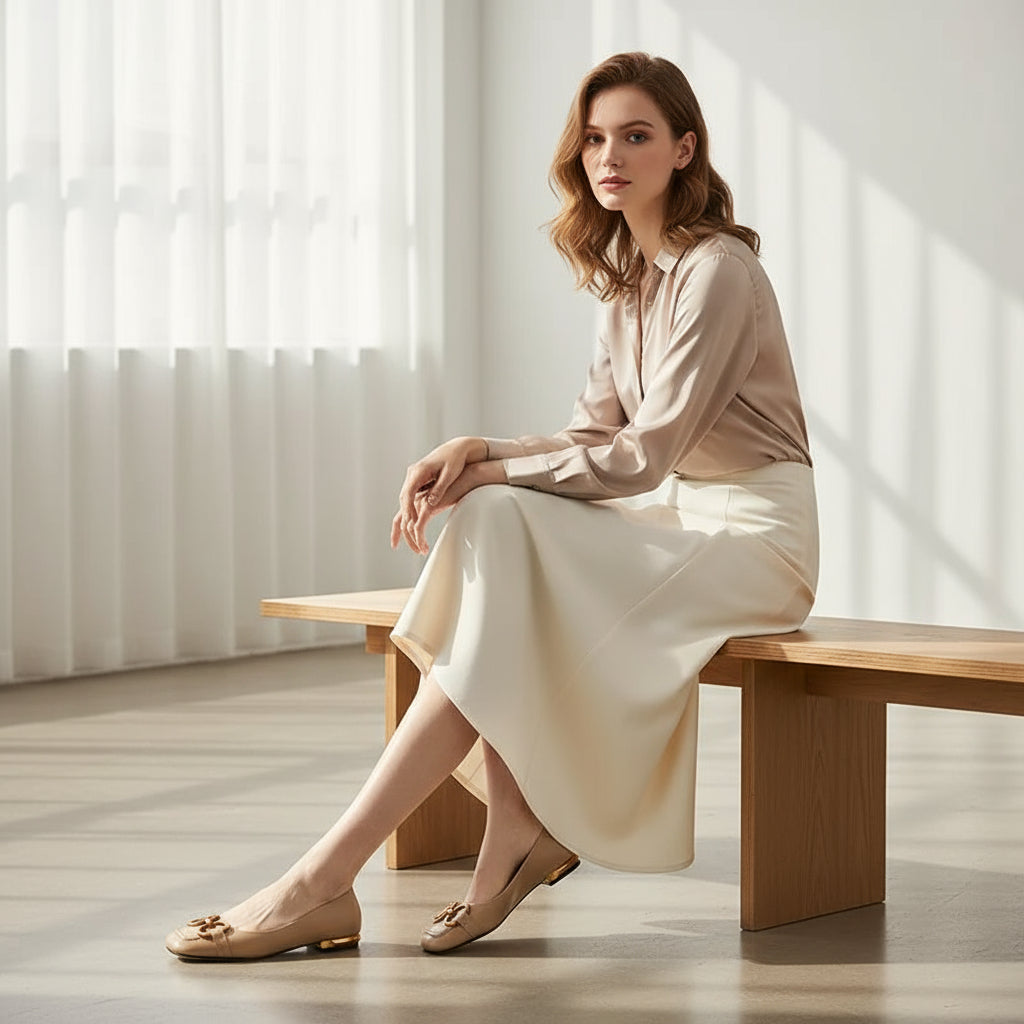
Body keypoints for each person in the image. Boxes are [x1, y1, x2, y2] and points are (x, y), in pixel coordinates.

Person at [166, 51, 818, 960]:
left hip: (757, 540)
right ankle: (503, 836)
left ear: (684, 150)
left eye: (636, 135)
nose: (610, 157)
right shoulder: (629, 280)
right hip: (678, 523)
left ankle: (323, 879)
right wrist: (479, 451)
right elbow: (590, 437)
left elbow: (643, 456)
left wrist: (493, 472)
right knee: (498, 529)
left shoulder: (718, 272)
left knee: (503, 528)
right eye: (594, 138)